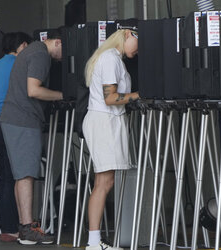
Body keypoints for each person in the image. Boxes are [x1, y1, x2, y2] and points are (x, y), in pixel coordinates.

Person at [0, 28, 64, 245]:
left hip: (13, 118)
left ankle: (25, 226)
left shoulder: (32, 51)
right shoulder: (40, 54)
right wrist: (61, 95)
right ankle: (28, 229)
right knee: (27, 173)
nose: (63, 58)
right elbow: (34, 90)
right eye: (64, 51)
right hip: (23, 119)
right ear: (57, 43)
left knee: (21, 174)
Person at [83, 26, 139, 250]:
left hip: (108, 122)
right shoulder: (109, 59)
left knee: (105, 182)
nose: (139, 49)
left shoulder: (114, 58)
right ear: (127, 34)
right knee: (103, 184)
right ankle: (94, 243)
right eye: (139, 41)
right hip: (104, 121)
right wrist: (136, 95)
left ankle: (95, 242)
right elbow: (111, 98)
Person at [0, 31, 32, 242]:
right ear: (22, 46)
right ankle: (17, 227)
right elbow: (29, 91)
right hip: (8, 123)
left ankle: (8, 228)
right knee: (17, 176)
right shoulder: (18, 64)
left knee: (5, 177)